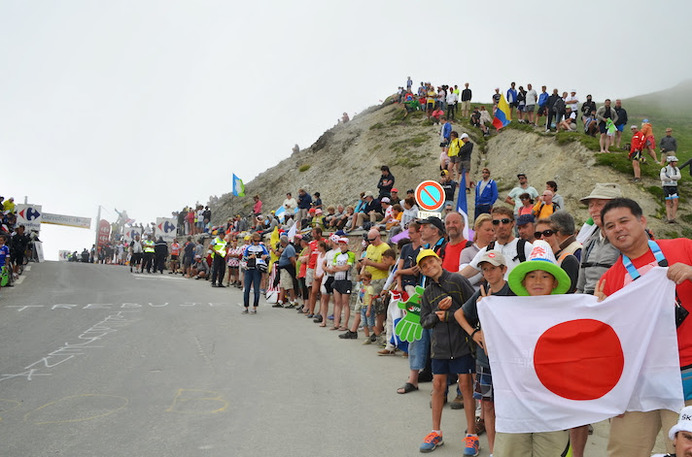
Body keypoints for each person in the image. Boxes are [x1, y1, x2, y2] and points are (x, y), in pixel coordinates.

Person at [596, 198, 692, 457]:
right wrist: (601, 315)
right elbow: (610, 341)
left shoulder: (683, 248)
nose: (618, 229)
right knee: (624, 451)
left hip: (687, 375)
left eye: (624, 221)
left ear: (642, 221)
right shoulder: (609, 279)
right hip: (638, 381)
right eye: (610, 226)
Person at [493, 240, 572, 457]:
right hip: (515, 401)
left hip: (552, 404)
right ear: (524, 281)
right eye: (532, 275)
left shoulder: (569, 314)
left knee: (552, 451)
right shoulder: (505, 312)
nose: (538, 281)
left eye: (545, 276)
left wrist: (600, 309)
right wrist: (485, 323)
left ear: (555, 282)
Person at [417, 248, 479, 455]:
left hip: (462, 344)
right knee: (437, 386)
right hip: (440, 347)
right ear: (423, 271)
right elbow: (424, 322)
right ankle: (436, 432)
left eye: (431, 262)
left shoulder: (457, 280)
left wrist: (451, 314)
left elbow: (475, 307)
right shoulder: (427, 293)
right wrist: (437, 315)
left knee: (466, 385)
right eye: (424, 266)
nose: (429, 267)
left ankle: (471, 435)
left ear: (439, 261)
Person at [455, 250, 514, 456]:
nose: (488, 273)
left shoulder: (514, 292)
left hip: (508, 360)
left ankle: (507, 449)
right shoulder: (481, 291)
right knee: (488, 405)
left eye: (492, 269)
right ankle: (494, 450)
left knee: (507, 407)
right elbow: (459, 314)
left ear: (503, 269)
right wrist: (473, 333)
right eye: (485, 269)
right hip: (485, 359)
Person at [331, 237, 355, 331]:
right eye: (340, 244)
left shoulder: (351, 254)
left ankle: (345, 324)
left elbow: (347, 267)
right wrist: (341, 267)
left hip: (346, 280)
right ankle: (336, 323)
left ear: (347, 245)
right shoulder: (337, 255)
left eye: (343, 244)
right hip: (337, 280)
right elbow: (333, 268)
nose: (341, 246)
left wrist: (338, 267)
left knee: (345, 303)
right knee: (337, 302)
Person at [242, 233, 269, 314]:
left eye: (258, 241)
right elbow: (243, 258)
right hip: (249, 269)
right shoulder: (248, 248)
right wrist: (249, 257)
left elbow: (268, 256)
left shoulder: (262, 248)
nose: (256, 242)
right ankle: (246, 307)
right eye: (255, 241)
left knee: (256, 289)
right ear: (252, 240)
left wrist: (265, 257)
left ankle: (254, 307)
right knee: (247, 289)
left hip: (257, 270)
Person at [276, 235, 298, 308]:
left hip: (287, 269)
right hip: (283, 269)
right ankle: (280, 301)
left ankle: (292, 301)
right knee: (283, 285)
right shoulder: (287, 248)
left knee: (289, 285)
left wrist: (295, 269)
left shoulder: (289, 248)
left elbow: (292, 259)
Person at [661, 156, 682, 223]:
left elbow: (679, 177)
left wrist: (670, 177)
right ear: (671, 162)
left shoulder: (676, 169)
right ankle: (669, 218)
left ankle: (673, 217)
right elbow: (663, 178)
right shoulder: (664, 169)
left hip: (674, 187)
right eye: (675, 162)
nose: (676, 163)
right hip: (667, 187)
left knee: (675, 201)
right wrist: (673, 178)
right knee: (668, 202)